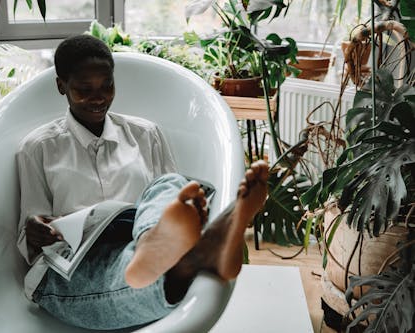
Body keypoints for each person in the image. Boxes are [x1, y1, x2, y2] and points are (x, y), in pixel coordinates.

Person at [16, 34, 269, 330]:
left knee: (167, 184)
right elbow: (29, 234)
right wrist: (35, 231)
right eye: (84, 89)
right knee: (136, 273)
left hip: (138, 245)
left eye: (107, 85)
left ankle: (157, 242)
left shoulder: (146, 134)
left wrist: (160, 223)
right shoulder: (38, 148)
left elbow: (175, 200)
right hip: (76, 268)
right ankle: (202, 250)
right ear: (61, 86)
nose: (98, 98)